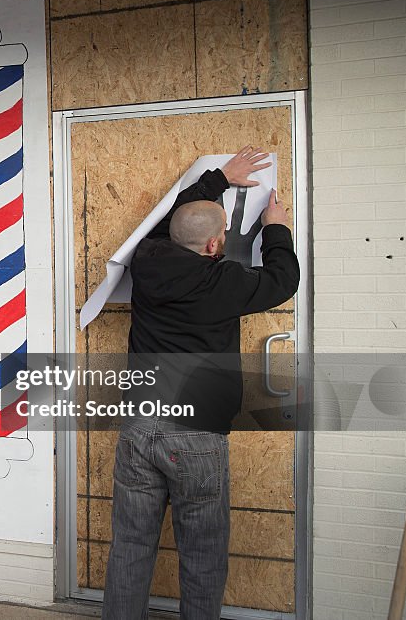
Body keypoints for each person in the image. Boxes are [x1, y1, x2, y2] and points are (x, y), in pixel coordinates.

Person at [102, 146, 301, 619]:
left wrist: (217, 179)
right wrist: (276, 226)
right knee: (203, 555)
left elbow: (172, 220)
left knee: (130, 545)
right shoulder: (224, 283)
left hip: (138, 427)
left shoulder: (147, 259)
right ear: (215, 246)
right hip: (197, 438)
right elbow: (281, 279)